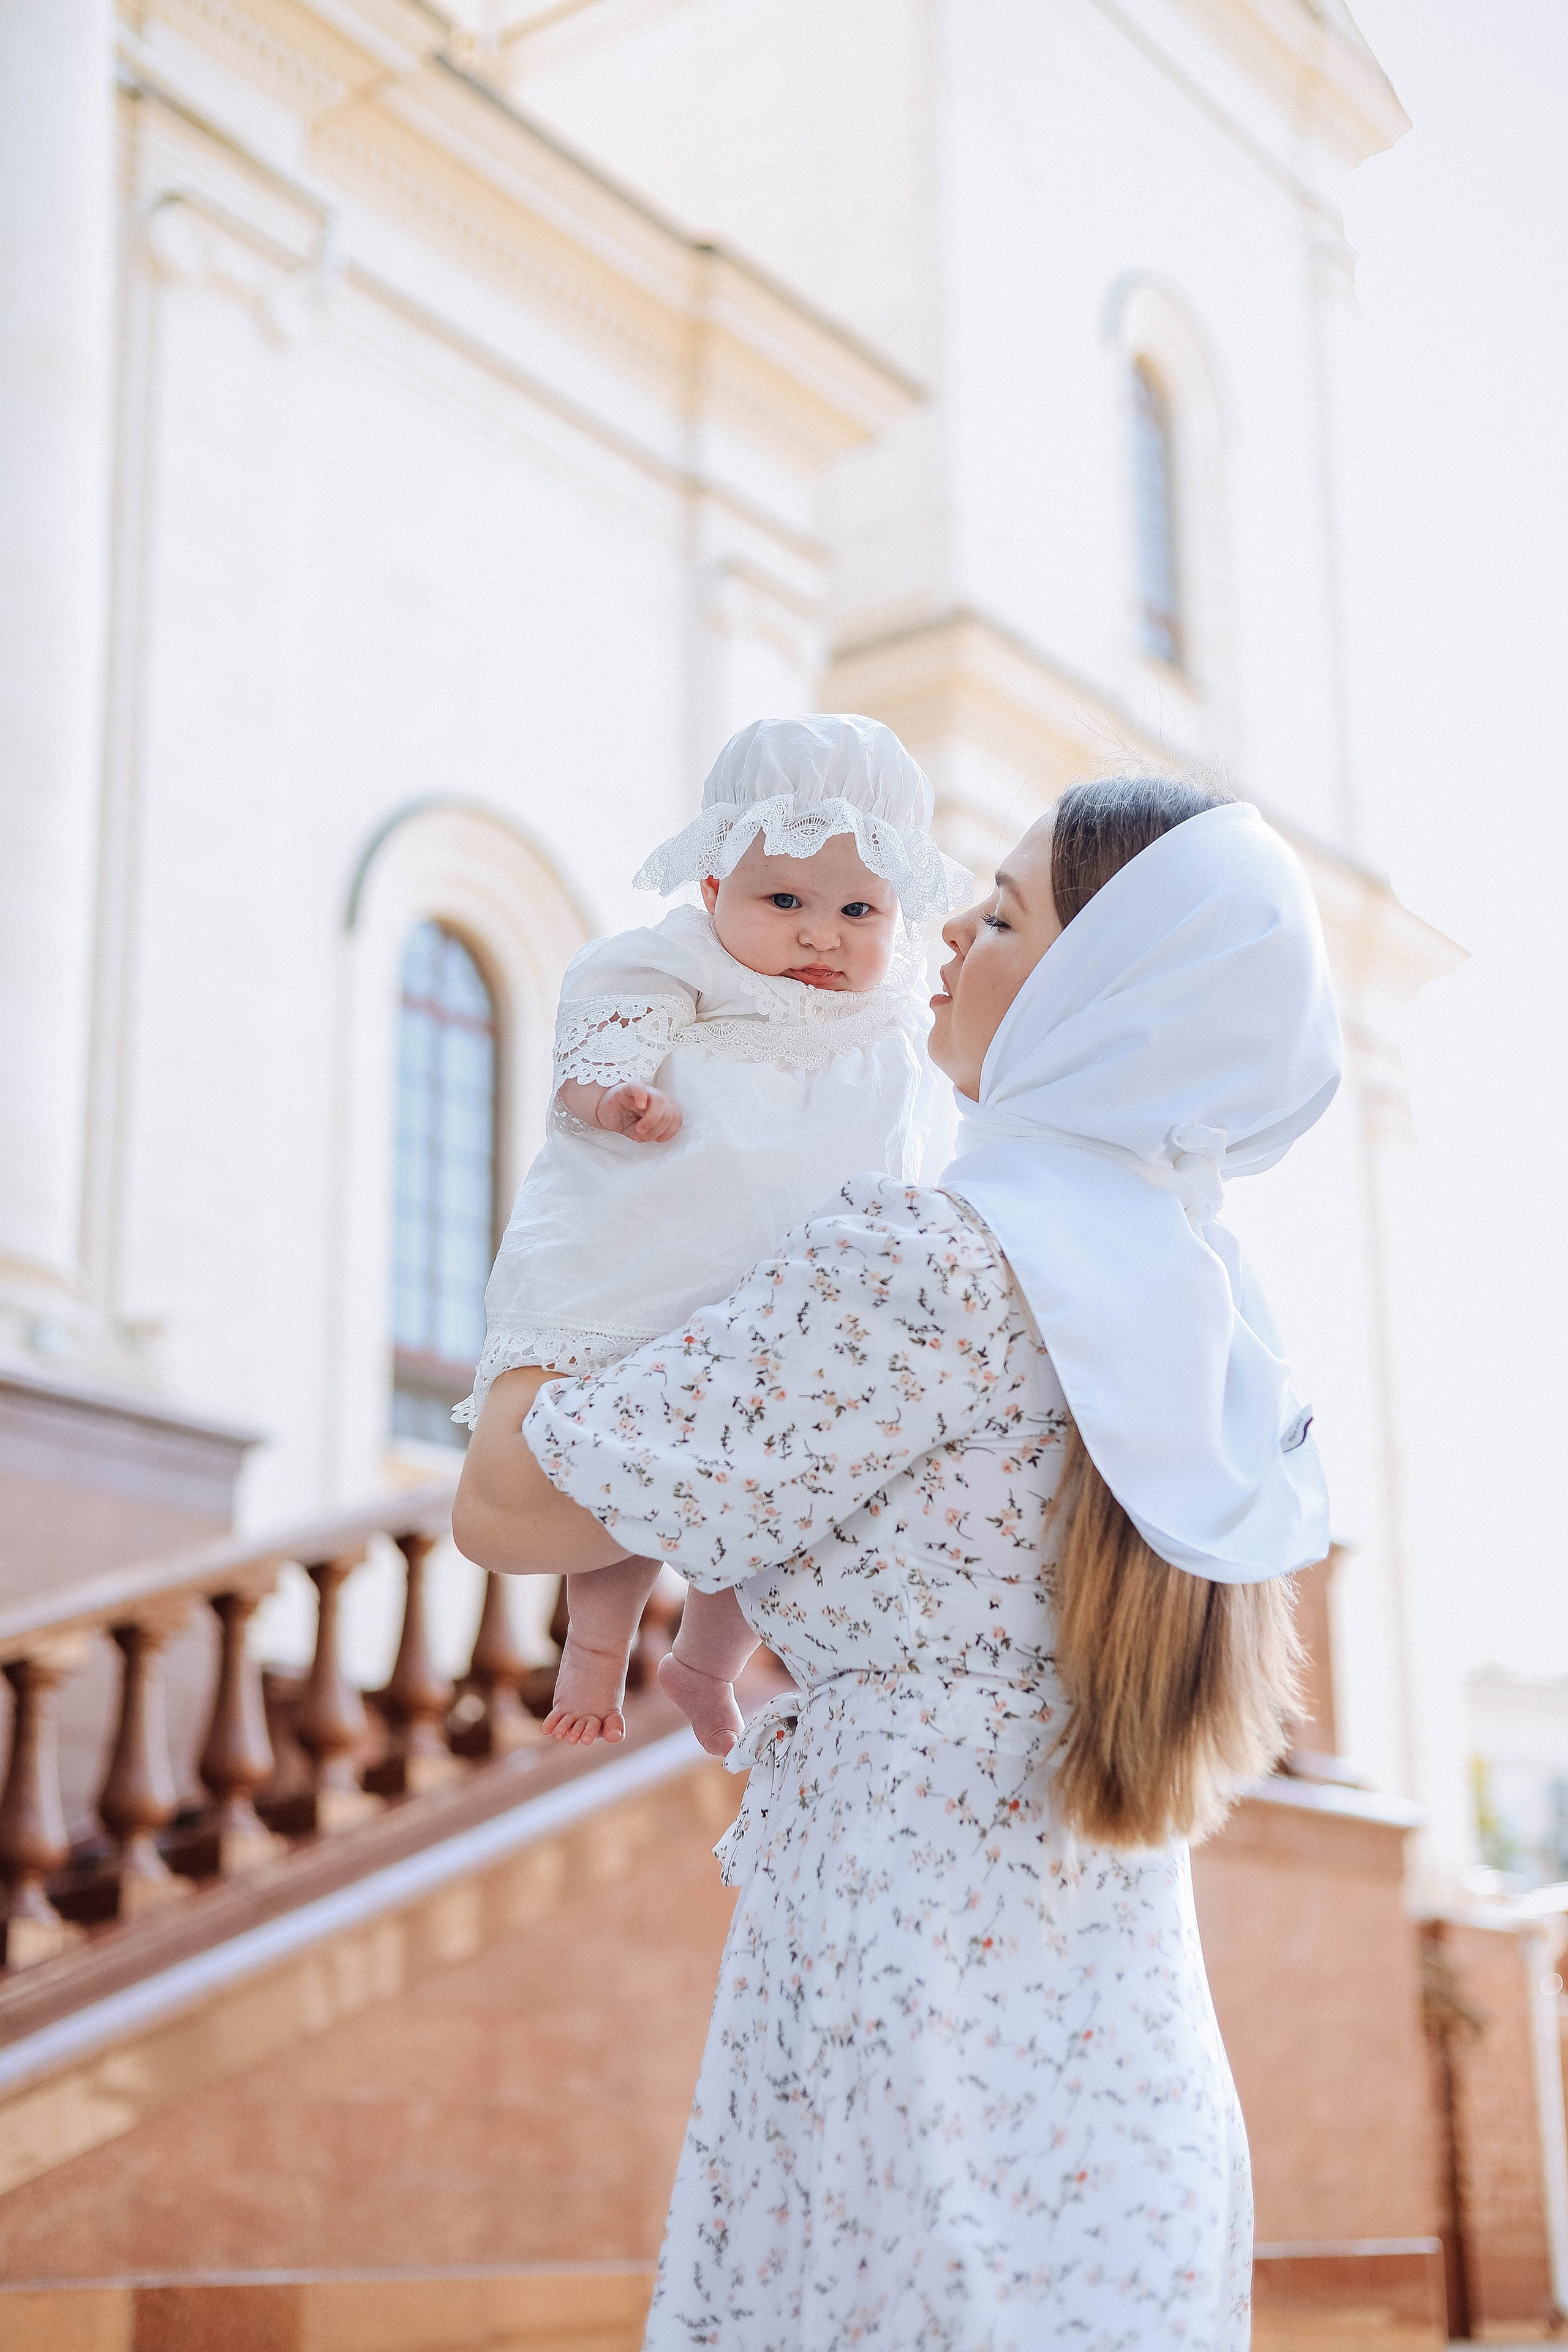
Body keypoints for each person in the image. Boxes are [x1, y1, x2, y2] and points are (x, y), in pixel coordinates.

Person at [453, 775, 1341, 2350]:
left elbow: (511, 1502)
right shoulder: (1197, 1295)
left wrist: (591, 1218)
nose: (940, 931)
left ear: (1095, 989)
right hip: (1115, 2063)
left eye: (999, 915)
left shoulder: (925, 1263)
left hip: (906, 1995)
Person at [454, 712, 969, 1754]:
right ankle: (597, 1650)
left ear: (901, 915)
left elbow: (926, 1157)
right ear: (711, 893)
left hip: (790, 1301)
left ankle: (708, 1660)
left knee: (767, 1495)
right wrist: (614, 1098)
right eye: (785, 901)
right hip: (663, 1259)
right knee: (624, 1458)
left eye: (859, 909)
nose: (822, 934)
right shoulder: (682, 966)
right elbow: (606, 1028)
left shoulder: (896, 1028)